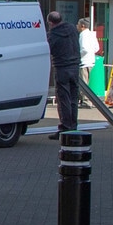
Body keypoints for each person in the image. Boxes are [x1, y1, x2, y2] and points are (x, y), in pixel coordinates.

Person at [46, 10, 81, 138]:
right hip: (75, 67)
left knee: (63, 98)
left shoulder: (52, 35)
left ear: (50, 23)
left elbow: (48, 49)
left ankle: (65, 127)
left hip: (62, 68)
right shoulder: (72, 29)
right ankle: (73, 125)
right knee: (73, 98)